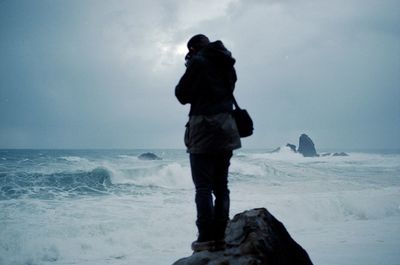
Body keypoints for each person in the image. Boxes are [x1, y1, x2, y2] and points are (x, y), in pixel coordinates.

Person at [175, 34, 241, 252]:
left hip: (203, 127)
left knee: (203, 186)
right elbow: (227, 90)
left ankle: (205, 238)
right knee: (221, 186)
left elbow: (182, 94)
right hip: (227, 127)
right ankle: (221, 236)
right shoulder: (227, 62)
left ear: (194, 48)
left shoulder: (198, 62)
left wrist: (190, 66)